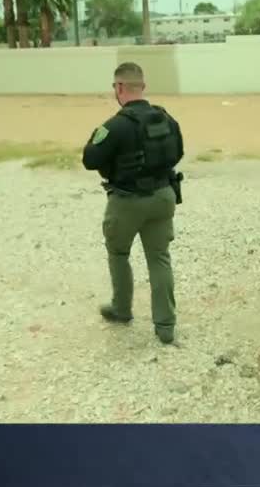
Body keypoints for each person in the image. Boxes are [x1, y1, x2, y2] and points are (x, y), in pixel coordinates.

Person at [82, 62, 185, 344]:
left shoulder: (115, 126)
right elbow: (178, 152)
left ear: (119, 88)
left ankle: (122, 308)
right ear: (143, 87)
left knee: (118, 253)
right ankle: (165, 326)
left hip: (127, 201)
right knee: (159, 257)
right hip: (163, 196)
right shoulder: (166, 119)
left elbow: (90, 159)